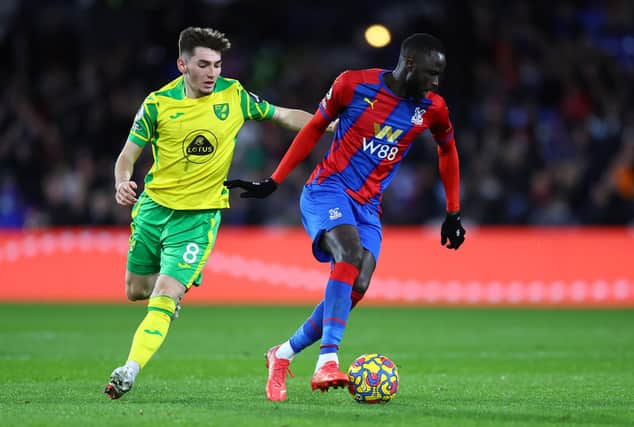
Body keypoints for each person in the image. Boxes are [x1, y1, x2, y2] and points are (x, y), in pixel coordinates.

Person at [225, 33, 466, 401]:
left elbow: (447, 151)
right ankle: (327, 360)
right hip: (328, 189)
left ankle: (283, 353)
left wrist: (453, 211)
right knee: (350, 255)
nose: (436, 83)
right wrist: (275, 179)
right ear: (410, 65)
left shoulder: (433, 108)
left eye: (440, 76)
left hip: (369, 206)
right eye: (432, 73)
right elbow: (313, 129)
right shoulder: (353, 84)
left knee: (360, 281)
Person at [104, 26, 334, 400]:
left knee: (164, 294)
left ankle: (128, 369)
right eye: (204, 65)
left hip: (199, 218)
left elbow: (281, 115)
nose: (213, 72)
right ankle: (168, 302)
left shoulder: (234, 94)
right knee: (136, 291)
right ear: (183, 65)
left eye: (218, 64)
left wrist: (327, 125)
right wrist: (121, 182)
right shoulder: (157, 104)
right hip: (153, 210)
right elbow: (127, 157)